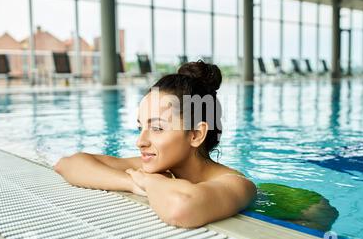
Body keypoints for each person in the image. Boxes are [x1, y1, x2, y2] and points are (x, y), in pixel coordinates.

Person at [54, 60, 257, 228]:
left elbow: (182, 209)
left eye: (157, 128)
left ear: (195, 134)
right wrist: (133, 183)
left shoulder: (238, 185)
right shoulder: (160, 168)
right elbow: (67, 164)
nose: (140, 142)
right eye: (140, 127)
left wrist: (150, 182)